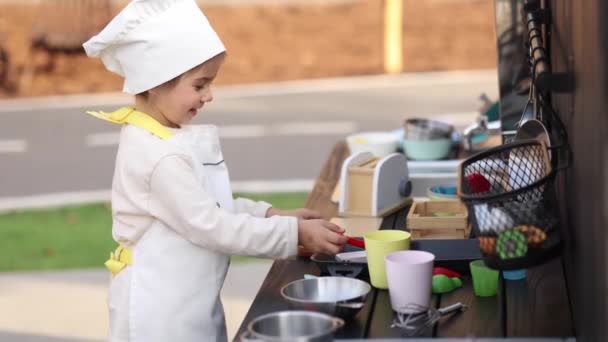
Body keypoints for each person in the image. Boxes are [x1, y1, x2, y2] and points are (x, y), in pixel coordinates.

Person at [82, 1, 348, 341]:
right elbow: (214, 227)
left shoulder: (165, 137)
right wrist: (292, 236)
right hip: (160, 312)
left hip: (187, 299)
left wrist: (271, 215)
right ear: (154, 82)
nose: (209, 95)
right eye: (199, 85)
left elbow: (209, 208)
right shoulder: (158, 156)